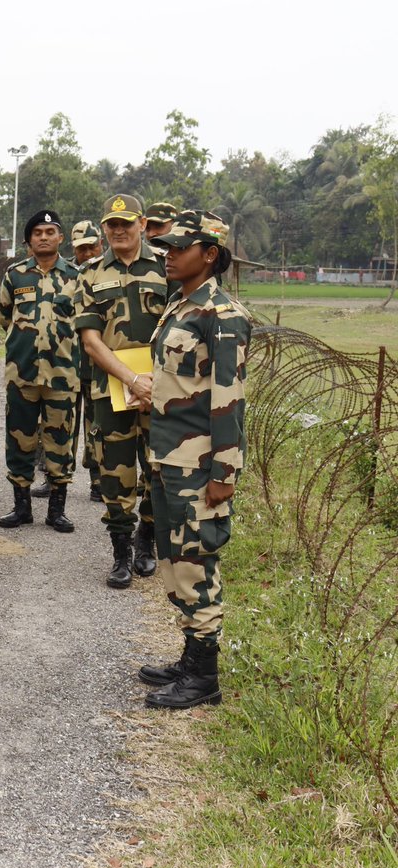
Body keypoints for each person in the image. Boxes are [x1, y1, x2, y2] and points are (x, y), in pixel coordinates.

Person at [140, 211, 249, 708]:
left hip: (199, 463)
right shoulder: (180, 305)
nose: (168, 253)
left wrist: (224, 472)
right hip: (168, 457)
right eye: (166, 246)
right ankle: (190, 657)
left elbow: (229, 400)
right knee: (175, 558)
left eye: (179, 247)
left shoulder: (222, 316)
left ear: (210, 254)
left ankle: (204, 678)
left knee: (197, 561)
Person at [75, 194, 171, 589]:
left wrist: (155, 383)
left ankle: (145, 539)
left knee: (157, 468)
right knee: (115, 471)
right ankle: (120, 552)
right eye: (111, 225)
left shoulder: (166, 269)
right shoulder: (91, 273)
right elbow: (91, 341)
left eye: (126, 224)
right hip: (111, 387)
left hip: (162, 390)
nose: (118, 231)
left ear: (143, 224)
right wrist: (132, 380)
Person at [0, 210, 81, 534]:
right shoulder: (15, 275)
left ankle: (57, 511)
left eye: (50, 231)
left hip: (62, 374)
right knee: (19, 440)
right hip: (22, 375)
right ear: (29, 240)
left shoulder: (75, 276)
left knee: (60, 441)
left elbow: (86, 323)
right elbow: (2, 319)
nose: (43, 237)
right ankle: (21, 508)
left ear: (61, 237)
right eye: (37, 233)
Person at [70, 220, 103, 501]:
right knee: (60, 426)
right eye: (82, 249)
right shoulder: (65, 275)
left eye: (92, 246)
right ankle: (56, 479)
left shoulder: (106, 275)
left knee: (96, 425)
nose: (88, 253)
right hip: (65, 364)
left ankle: (97, 480)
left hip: (95, 366)